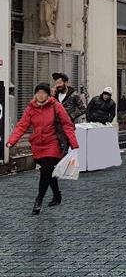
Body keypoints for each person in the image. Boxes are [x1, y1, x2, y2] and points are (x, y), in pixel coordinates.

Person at [6, 83, 79, 215]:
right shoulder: (31, 108)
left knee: (45, 170)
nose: (41, 95)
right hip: (37, 144)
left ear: (48, 94)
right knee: (48, 171)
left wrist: (74, 144)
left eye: (43, 93)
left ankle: (38, 200)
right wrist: (12, 141)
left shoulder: (55, 106)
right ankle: (57, 195)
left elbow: (67, 124)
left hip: (52, 143)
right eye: (38, 93)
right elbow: (22, 125)